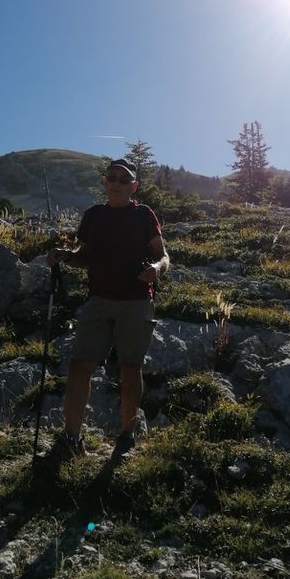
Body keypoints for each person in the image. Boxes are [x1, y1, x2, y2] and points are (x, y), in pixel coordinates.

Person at [46, 158, 169, 462]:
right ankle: (71, 438)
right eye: (111, 177)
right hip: (98, 300)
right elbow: (84, 256)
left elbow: (163, 255)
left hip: (136, 300)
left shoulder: (144, 215)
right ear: (105, 182)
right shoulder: (93, 216)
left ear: (133, 187)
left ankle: (126, 437)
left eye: (123, 179)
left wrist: (156, 269)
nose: (115, 183)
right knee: (80, 365)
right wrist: (65, 256)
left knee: (130, 367)